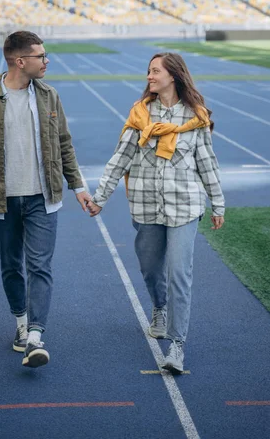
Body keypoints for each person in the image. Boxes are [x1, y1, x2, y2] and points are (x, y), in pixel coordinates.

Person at [87, 52, 225, 373]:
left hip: (185, 208)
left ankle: (177, 345)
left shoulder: (196, 118)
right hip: (146, 207)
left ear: (172, 76)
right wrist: (100, 197)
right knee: (151, 268)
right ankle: (159, 306)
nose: (149, 76)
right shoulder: (139, 115)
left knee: (180, 273)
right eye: (148, 71)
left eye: (155, 71)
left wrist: (217, 203)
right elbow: (119, 159)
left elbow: (207, 164)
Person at [0, 30, 91, 368]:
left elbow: (64, 143)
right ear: (21, 61)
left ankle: (35, 334)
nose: (47, 61)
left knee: (40, 266)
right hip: (1, 199)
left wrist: (78, 187)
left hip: (42, 197)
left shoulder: (50, 96)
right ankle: (20, 323)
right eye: (41, 56)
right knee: (11, 266)